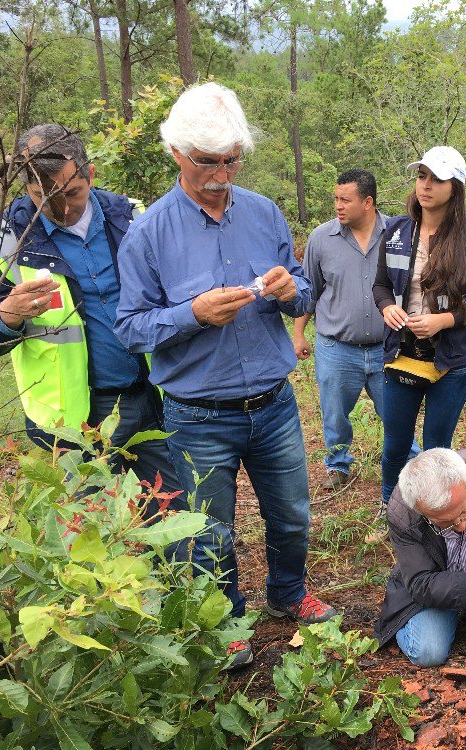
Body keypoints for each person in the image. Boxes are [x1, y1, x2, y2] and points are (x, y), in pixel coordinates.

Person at [114, 82, 337, 669]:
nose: (220, 173)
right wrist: (191, 314)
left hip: (274, 405)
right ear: (176, 153)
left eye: (231, 159)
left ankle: (288, 592)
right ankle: (229, 616)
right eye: (206, 161)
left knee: (291, 512)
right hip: (196, 415)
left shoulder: (263, 213)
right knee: (210, 531)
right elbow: (131, 327)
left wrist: (295, 291)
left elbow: (301, 287)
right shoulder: (149, 233)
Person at [0, 124, 178, 498]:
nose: (61, 208)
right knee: (89, 533)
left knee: (174, 510)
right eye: (43, 197)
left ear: (90, 174)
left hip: (151, 397)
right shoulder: (4, 241)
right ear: (26, 187)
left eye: (71, 192)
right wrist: (7, 316)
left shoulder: (132, 219)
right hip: (72, 421)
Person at [373, 146, 466, 508]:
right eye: (422, 175)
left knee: (436, 447)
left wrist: (444, 319)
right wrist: (387, 307)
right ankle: (392, 510)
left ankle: (434, 513)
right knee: (395, 445)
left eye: (437, 179)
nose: (425, 185)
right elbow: (379, 285)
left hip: (450, 360)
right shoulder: (395, 230)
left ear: (454, 187)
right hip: (401, 355)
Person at [293, 169, 414, 490]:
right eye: (336, 199)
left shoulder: (399, 234)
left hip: (387, 348)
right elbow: (310, 291)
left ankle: (412, 462)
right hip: (336, 348)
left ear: (368, 202)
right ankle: (338, 464)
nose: (338, 206)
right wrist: (298, 333)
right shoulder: (321, 239)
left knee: (396, 411)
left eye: (345, 200)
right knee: (334, 414)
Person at [374, 447, 466, 666]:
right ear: (422, 511)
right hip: (438, 583)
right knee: (427, 652)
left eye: (465, 511)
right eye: (445, 523)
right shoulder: (403, 510)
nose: (461, 526)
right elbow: (421, 583)